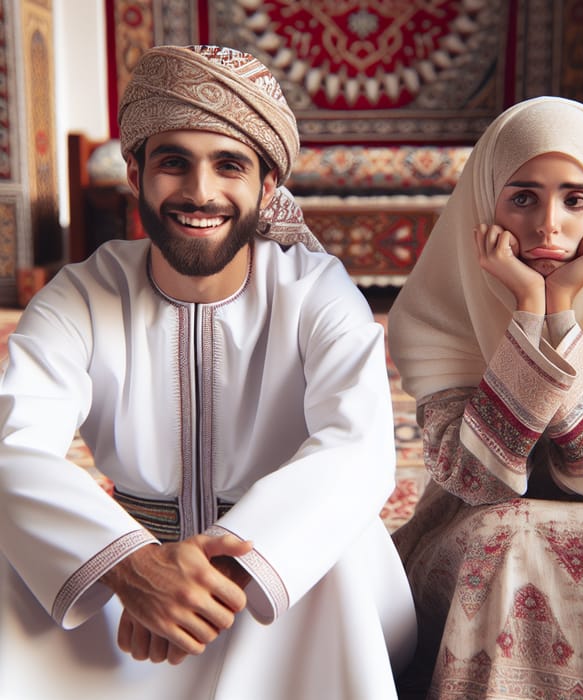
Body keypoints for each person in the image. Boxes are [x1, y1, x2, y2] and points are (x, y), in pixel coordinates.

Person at [0, 45, 416, 699]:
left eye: (229, 165)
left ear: (268, 184)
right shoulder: (80, 294)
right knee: (14, 540)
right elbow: (14, 447)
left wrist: (223, 562)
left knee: (332, 540)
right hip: (125, 600)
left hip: (282, 590)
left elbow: (357, 449)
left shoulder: (316, 292)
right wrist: (130, 565)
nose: (200, 191)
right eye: (174, 162)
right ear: (135, 169)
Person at [387, 96, 583, 698]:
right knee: (505, 534)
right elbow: (479, 479)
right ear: (486, 202)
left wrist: (563, 315)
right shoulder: (437, 313)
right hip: (468, 535)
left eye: (576, 199)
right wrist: (531, 312)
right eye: (523, 197)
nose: (548, 224)